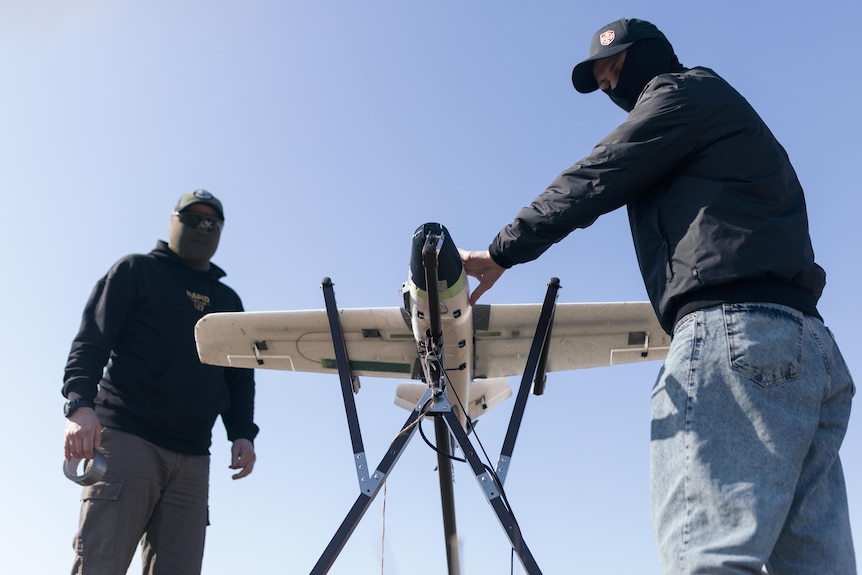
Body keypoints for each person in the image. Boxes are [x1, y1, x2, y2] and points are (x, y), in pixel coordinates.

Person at [460, 18, 856, 575]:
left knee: (708, 559)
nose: (608, 86)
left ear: (649, 57)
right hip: (808, 351)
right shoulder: (723, 116)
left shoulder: (679, 93)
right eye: (601, 80)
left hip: (735, 335)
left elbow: (596, 176)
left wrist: (502, 251)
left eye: (616, 69)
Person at [62, 189, 259, 574]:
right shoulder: (136, 271)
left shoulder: (228, 300)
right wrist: (80, 406)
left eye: (212, 223)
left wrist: (242, 433)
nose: (203, 227)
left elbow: (240, 376)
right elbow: (92, 340)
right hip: (127, 441)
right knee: (99, 564)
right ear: (174, 220)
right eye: (194, 218)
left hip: (192, 457)